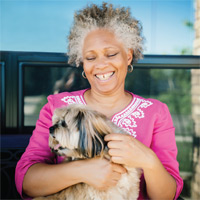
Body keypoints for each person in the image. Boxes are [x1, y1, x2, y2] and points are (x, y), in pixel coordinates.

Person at [15, 2, 183, 200]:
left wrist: (148, 160)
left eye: (111, 54)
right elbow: (26, 182)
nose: (101, 65)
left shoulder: (156, 112)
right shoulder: (57, 107)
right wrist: (82, 170)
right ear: (82, 63)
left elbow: (167, 198)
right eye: (90, 57)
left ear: (128, 56)